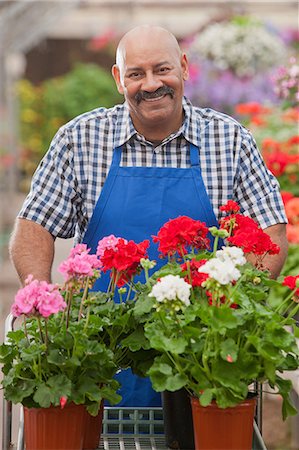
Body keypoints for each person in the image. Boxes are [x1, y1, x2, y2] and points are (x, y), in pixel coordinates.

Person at [10, 25, 288, 406]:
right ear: (118, 79)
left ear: (185, 67)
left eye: (163, 69)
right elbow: (34, 224)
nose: (152, 84)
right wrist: (38, 296)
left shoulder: (229, 139)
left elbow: (270, 233)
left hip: (200, 359)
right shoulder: (81, 139)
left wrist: (231, 312)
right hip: (98, 359)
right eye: (136, 74)